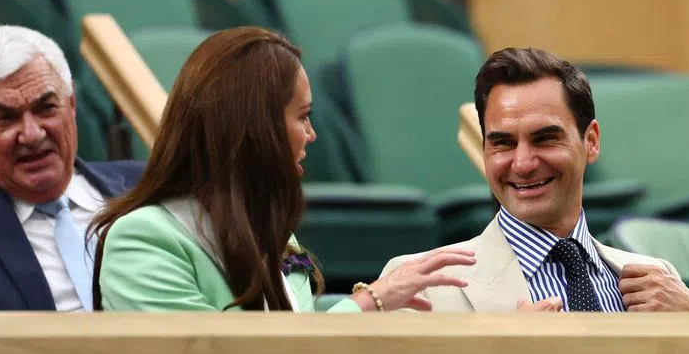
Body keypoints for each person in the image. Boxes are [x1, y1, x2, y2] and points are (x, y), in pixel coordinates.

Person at [90, 27, 473, 312]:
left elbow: (292, 321)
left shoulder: (266, 227)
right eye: (303, 117)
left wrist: (387, 300)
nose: (312, 135)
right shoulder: (142, 238)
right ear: (257, 127)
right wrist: (368, 303)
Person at [381, 47, 689, 313]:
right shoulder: (420, 283)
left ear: (591, 141)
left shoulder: (658, 278)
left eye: (544, 139)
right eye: (503, 143)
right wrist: (508, 353)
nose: (523, 164)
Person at [0, 26, 144, 311]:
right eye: (5, 119)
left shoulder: (147, 186)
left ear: (71, 105)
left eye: (46, 108)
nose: (33, 134)